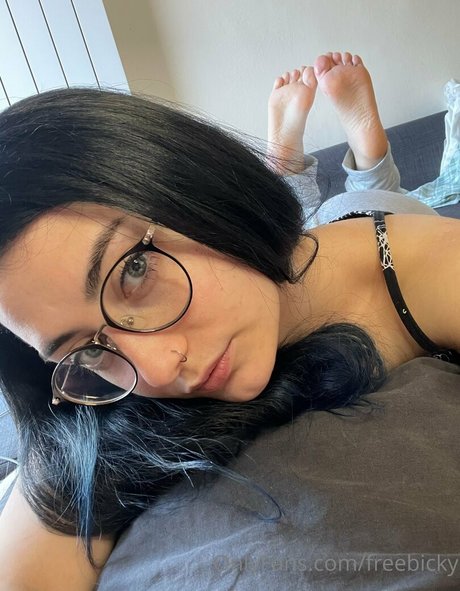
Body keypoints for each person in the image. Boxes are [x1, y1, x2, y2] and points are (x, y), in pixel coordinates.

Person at [0, 52, 459, 591]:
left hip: (375, 227)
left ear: (192, 181)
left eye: (134, 271)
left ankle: (363, 153)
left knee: (382, 200)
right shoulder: (94, 405)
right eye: (87, 349)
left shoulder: (424, 267)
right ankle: (288, 163)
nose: (159, 369)